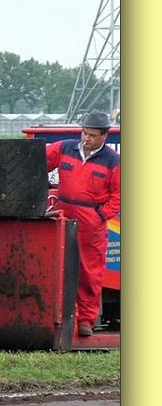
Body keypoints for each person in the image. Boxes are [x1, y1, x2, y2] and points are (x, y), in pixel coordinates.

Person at [46, 110, 121, 336]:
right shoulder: (64, 148)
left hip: (91, 222)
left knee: (89, 272)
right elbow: (38, 161)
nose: (86, 138)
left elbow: (119, 195)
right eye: (85, 133)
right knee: (54, 265)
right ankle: (52, 315)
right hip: (63, 213)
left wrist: (101, 215)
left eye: (92, 135)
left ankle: (86, 321)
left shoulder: (114, 161)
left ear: (104, 136)